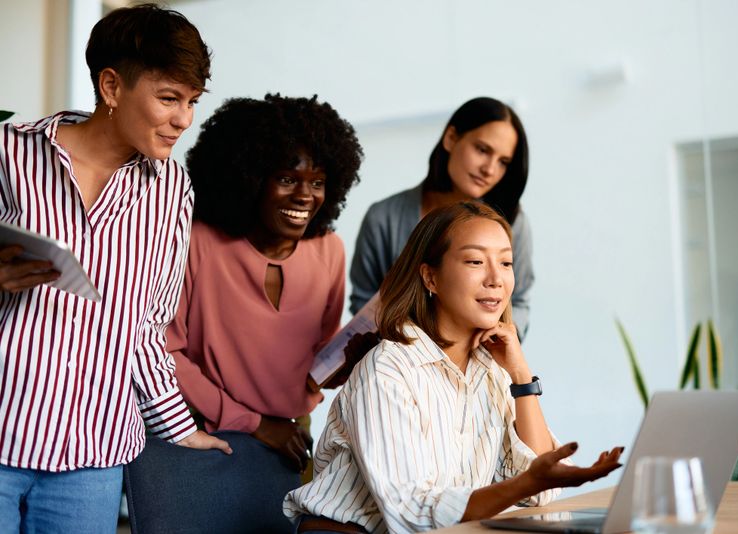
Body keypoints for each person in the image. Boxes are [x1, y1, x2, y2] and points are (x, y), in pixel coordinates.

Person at [0, 5, 229, 532]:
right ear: (111, 85)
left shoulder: (172, 189)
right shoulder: (10, 154)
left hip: (93, 451)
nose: (184, 119)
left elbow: (147, 326)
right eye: (169, 98)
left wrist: (177, 424)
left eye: (192, 101)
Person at [285, 201, 623, 533]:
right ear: (430, 278)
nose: (496, 279)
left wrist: (521, 378)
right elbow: (411, 513)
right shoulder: (387, 368)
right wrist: (528, 483)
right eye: (476, 261)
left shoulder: (492, 370)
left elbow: (540, 493)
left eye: (506, 262)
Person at [125, 94, 363, 533]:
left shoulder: (330, 251)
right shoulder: (197, 242)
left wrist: (362, 350)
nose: (305, 196)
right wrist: (255, 424)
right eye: (287, 178)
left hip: (286, 436)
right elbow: (163, 350)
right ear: (250, 178)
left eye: (318, 181)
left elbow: (316, 360)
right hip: (189, 430)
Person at [349, 97, 535, 338]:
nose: (489, 169)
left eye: (503, 162)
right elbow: (363, 303)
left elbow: (519, 303)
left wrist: (493, 344)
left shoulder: (511, 221)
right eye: (482, 150)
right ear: (451, 138)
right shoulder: (383, 217)